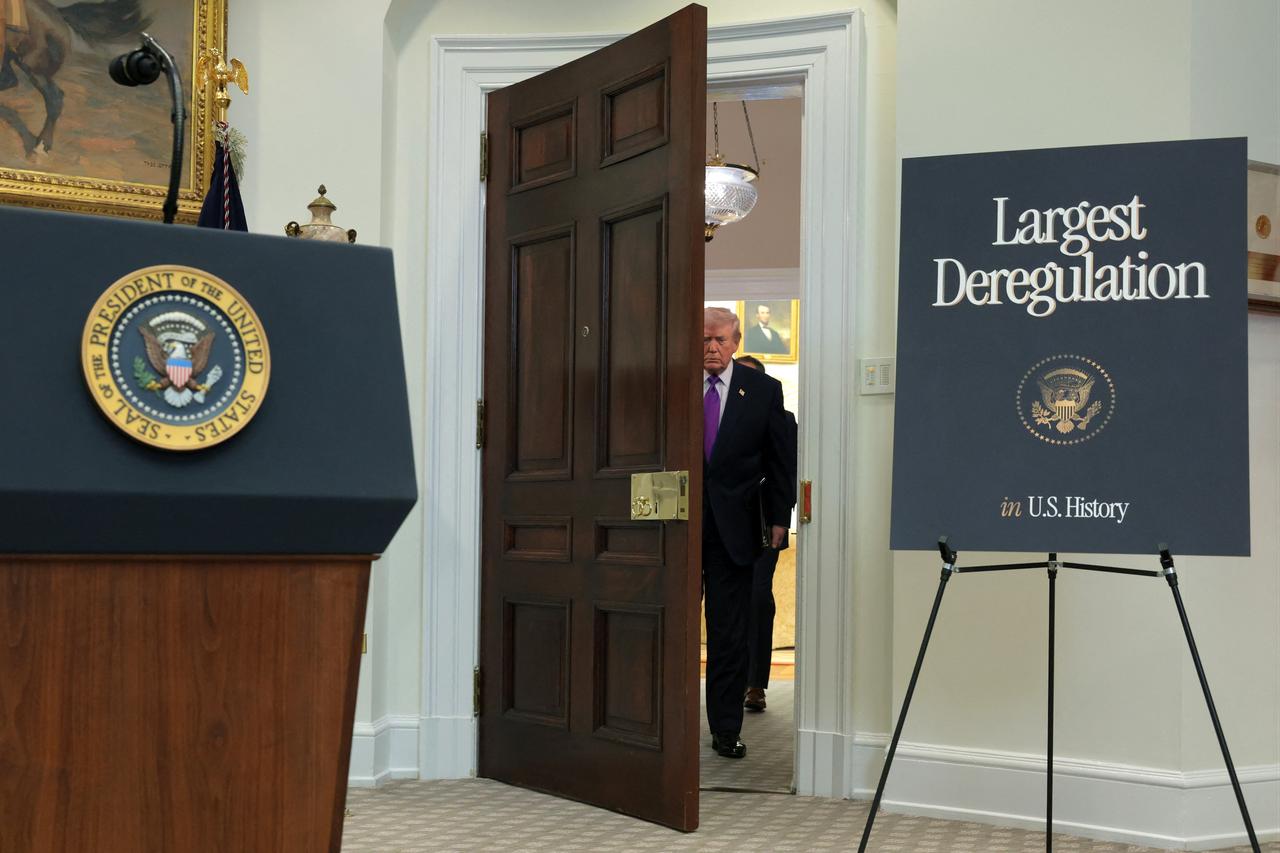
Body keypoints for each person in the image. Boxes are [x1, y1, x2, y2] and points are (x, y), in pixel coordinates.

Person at [701, 307, 792, 759]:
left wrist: (780, 517)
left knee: (728, 635)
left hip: (734, 531)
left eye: (719, 339)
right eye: (703, 340)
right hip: (675, 528)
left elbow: (779, 459)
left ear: (736, 341)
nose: (711, 348)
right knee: (664, 632)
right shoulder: (671, 380)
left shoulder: (761, 390)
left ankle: (724, 729)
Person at [734, 355, 798, 713]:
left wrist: (780, 519)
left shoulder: (784, 420)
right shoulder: (711, 411)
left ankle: (755, 683)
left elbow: (786, 472)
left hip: (763, 525)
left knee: (758, 596)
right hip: (721, 524)